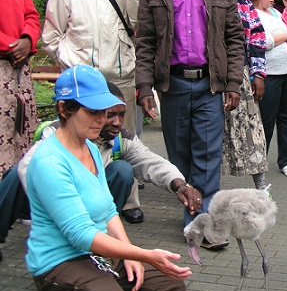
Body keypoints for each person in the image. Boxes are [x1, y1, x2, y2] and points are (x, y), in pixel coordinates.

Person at [3, 65, 191, 291]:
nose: (102, 119)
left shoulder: (90, 147)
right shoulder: (49, 161)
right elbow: (80, 235)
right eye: (92, 112)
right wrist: (144, 253)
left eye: (104, 111)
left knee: (169, 287)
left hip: (96, 252)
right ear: (64, 110)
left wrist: (131, 255)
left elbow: (108, 211)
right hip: (60, 261)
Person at [135, 0, 244, 246]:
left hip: (210, 86)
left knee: (208, 157)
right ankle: (192, 206)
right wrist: (144, 88)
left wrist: (233, 82)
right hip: (173, 87)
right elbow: (144, 44)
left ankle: (204, 226)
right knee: (180, 156)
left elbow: (235, 41)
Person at [18, 81, 203, 216]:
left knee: (122, 170)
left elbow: (152, 162)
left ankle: (103, 229)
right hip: (56, 206)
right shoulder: (59, 134)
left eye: (122, 115)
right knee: (13, 177)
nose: (118, 123)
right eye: (110, 115)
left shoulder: (121, 138)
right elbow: (29, 168)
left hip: (93, 211)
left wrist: (181, 185)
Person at [42, 0, 142, 135]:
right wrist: (69, 63)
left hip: (120, 80)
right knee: (81, 141)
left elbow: (138, 18)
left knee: (123, 145)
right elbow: (51, 35)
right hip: (81, 82)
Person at [205, 0, 270, 191]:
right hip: (206, 75)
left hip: (239, 74)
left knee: (251, 130)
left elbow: (257, 37)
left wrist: (258, 74)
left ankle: (261, 187)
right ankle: (207, 189)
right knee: (210, 133)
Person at [250, 0, 287, 178]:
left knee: (286, 117)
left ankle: (286, 161)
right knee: (267, 120)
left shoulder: (276, 13)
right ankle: (260, 160)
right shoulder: (252, 14)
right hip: (269, 74)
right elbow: (261, 41)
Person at [0, 0, 40, 176]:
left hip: (19, 71)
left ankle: (21, 197)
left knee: (21, 132)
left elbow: (32, 16)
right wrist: (12, 46)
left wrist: (27, 39)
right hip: (3, 64)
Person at [114, 0, 148, 221]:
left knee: (127, 135)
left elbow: (142, 15)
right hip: (93, 69)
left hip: (126, 68)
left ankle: (129, 201)